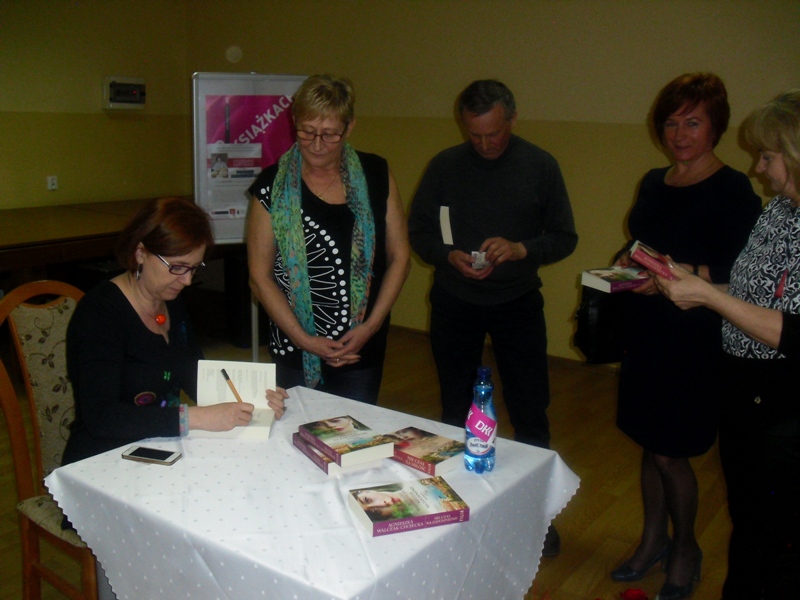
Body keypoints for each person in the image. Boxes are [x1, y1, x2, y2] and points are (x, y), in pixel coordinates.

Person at [64, 197, 287, 599]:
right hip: (103, 461)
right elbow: (101, 417)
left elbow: (196, 376)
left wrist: (258, 397)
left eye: (194, 268)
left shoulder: (170, 302)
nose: (186, 281)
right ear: (141, 253)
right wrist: (193, 418)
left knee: (233, 497)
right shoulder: (100, 314)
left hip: (159, 448)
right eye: (177, 267)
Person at [407, 79, 578, 556]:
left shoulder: (540, 165)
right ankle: (457, 512)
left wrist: (522, 249)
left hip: (517, 303)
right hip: (454, 301)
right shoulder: (444, 165)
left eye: (494, 134)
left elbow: (564, 237)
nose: (484, 144)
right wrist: (447, 256)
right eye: (475, 135)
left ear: (513, 119)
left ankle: (536, 515)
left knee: (530, 410)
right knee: (454, 410)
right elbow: (419, 231)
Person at [610, 74, 762, 600]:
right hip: (647, 329)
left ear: (716, 126)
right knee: (650, 441)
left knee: (671, 451)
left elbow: (742, 274)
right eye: (671, 123)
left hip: (695, 335)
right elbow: (641, 244)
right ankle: (653, 540)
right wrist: (626, 265)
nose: (680, 135)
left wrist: (676, 276)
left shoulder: (734, 189)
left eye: (693, 123)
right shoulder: (655, 181)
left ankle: (686, 549)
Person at [657, 89, 800, 599]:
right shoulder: (780, 211)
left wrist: (709, 298)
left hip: (787, 406)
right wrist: (698, 284)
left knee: (781, 538)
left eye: (768, 156)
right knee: (749, 521)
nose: (759, 167)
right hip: (744, 393)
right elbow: (750, 293)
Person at [247, 74, 410, 405]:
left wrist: (370, 327)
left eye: (330, 134)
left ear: (349, 127)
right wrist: (304, 340)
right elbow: (259, 278)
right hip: (294, 346)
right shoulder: (272, 186)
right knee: (296, 431)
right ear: (294, 123)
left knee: (355, 431)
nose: (317, 144)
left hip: (361, 345)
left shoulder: (376, 174)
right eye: (307, 131)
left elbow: (400, 257)